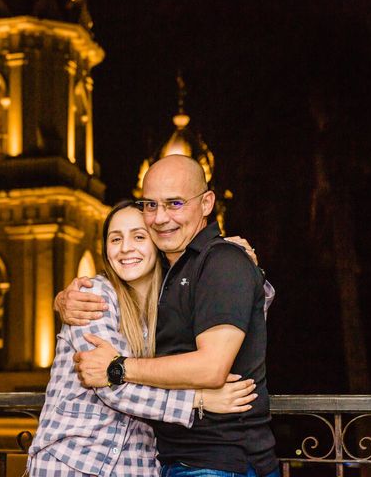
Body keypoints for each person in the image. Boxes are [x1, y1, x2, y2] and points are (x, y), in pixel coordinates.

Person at [64, 155, 279, 476]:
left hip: (219, 462)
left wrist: (117, 368)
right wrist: (64, 300)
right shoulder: (169, 274)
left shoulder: (220, 261)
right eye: (150, 205)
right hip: (173, 460)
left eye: (174, 203)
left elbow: (211, 368)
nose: (160, 217)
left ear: (207, 203)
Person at [27, 201, 259, 476]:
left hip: (136, 466)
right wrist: (198, 400)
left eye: (139, 236)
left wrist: (238, 268)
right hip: (70, 463)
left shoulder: (171, 304)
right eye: (116, 239)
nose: (125, 248)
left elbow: (232, 321)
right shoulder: (93, 296)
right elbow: (113, 384)